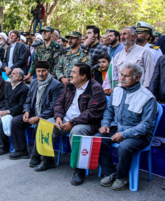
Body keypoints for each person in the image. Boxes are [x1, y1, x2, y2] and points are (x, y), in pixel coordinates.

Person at [95, 63, 157, 191]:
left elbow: (146, 125)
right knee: (97, 139)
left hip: (139, 135)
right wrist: (105, 124)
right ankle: (110, 172)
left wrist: (124, 134)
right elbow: (109, 111)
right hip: (117, 129)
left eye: (126, 76)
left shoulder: (147, 97)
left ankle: (121, 177)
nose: (122, 78)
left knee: (124, 146)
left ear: (137, 77)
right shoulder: (117, 89)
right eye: (121, 75)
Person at [54, 63, 107, 186]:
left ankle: (79, 171)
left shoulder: (96, 88)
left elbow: (92, 113)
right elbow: (59, 103)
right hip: (66, 120)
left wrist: (72, 123)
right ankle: (45, 159)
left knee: (77, 132)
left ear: (83, 76)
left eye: (73, 72)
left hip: (87, 123)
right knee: (46, 124)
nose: (70, 75)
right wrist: (58, 117)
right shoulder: (70, 86)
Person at [3, 61, 63, 164]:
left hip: (46, 115)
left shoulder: (56, 85)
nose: (41, 74)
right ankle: (21, 150)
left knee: (40, 126)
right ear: (35, 71)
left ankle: (37, 156)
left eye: (43, 71)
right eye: (38, 71)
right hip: (33, 112)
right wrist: (26, 111)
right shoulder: (34, 82)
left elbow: (54, 107)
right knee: (16, 121)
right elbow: (28, 100)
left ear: (48, 72)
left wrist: (39, 117)